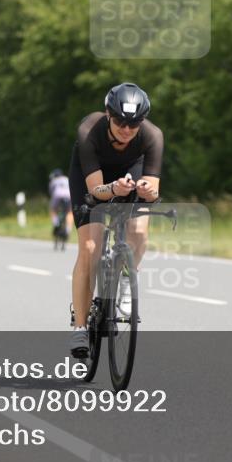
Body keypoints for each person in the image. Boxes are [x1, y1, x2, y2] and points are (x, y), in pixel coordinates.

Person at [68, 83, 163, 357]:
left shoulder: (152, 136)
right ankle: (80, 325)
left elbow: (154, 190)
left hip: (131, 168)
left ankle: (124, 280)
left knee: (140, 232)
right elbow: (96, 191)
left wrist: (146, 190)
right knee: (90, 249)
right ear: (108, 114)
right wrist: (113, 189)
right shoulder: (89, 130)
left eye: (133, 124)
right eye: (120, 121)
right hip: (92, 176)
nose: (126, 129)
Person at [48, 168, 73, 239]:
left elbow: (51, 192)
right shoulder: (66, 179)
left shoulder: (54, 181)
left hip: (57, 196)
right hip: (68, 196)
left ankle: (56, 223)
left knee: (53, 210)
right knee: (70, 212)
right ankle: (68, 230)